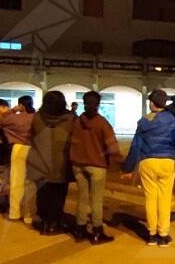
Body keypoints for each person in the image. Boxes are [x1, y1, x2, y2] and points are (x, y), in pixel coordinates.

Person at [122, 89, 175, 247]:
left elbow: (135, 147)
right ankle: (163, 234)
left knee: (151, 198)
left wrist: (128, 169)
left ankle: (151, 234)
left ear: (152, 103)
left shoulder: (144, 121)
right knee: (164, 199)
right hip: (166, 163)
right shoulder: (173, 122)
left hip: (147, 163)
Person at [69, 91, 122, 244]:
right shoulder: (102, 123)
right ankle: (97, 231)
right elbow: (112, 147)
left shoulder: (77, 121)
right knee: (96, 199)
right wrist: (122, 163)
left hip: (78, 165)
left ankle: (80, 229)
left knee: (82, 197)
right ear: (98, 104)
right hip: (97, 165)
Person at [27, 91, 76, 235]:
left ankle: (44, 222)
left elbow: (32, 136)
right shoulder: (71, 119)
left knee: (43, 193)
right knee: (58, 194)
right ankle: (55, 222)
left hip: (40, 162)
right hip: (61, 163)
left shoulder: (37, 117)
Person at [0, 98, 35, 225]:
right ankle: (29, 215)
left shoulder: (15, 118)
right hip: (33, 149)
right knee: (30, 183)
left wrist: (13, 110)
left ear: (21, 105)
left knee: (16, 181)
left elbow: (0, 121)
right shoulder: (35, 117)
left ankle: (15, 213)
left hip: (18, 148)